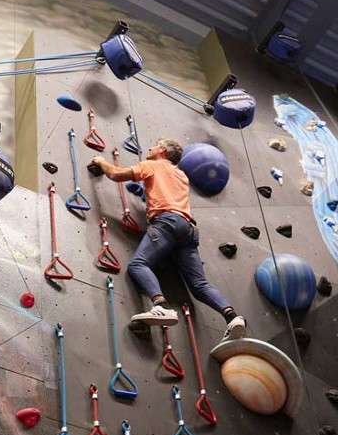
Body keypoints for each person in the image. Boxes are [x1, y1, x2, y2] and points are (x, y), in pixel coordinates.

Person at [90, 138, 246, 340]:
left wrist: (101, 161)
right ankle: (233, 317)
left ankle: (160, 305)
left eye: (155, 145)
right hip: (187, 228)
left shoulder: (152, 165)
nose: (150, 147)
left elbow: (116, 174)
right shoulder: (181, 175)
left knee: (138, 264)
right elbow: (165, 192)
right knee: (199, 285)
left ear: (162, 150)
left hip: (166, 223)